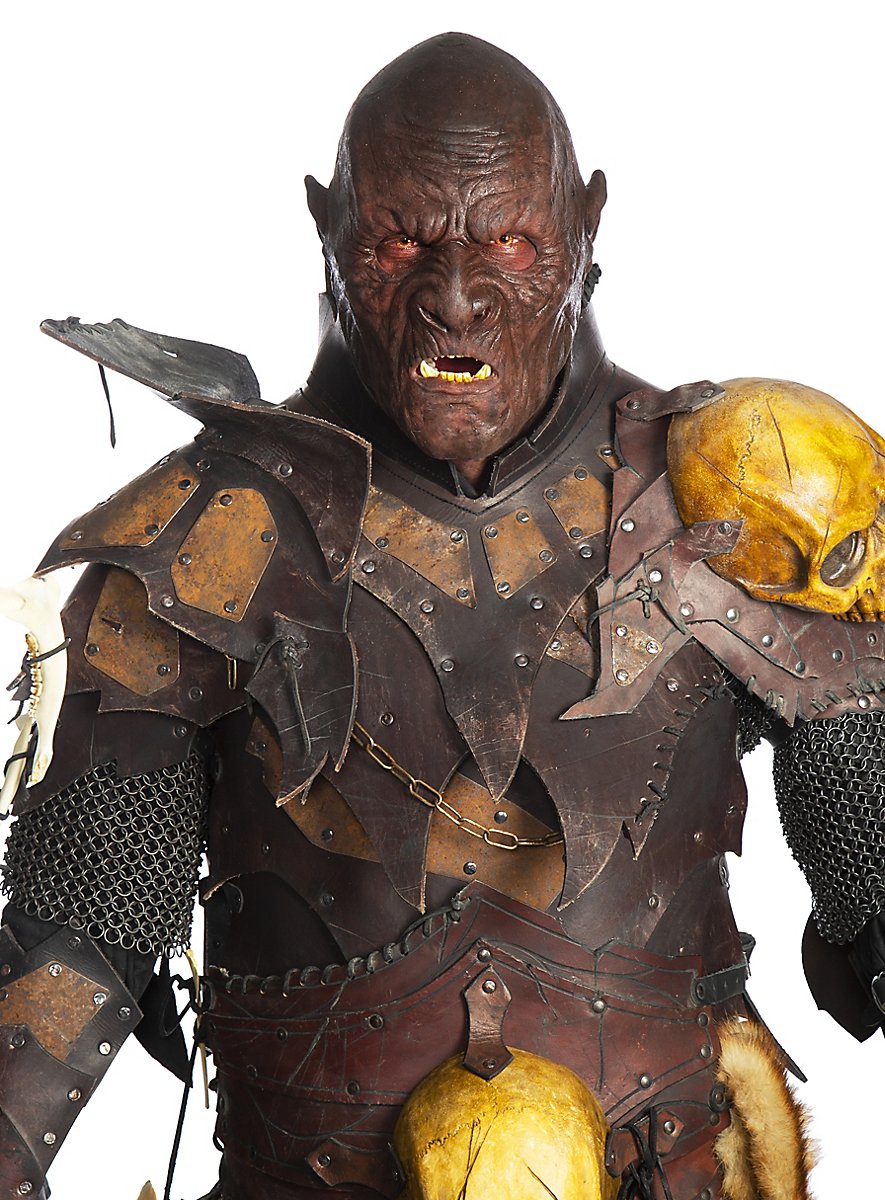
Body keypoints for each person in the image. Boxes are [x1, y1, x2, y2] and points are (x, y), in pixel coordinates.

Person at [1, 31, 884, 1200]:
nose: (455, 297)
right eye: (401, 241)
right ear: (327, 228)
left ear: (585, 226)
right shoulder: (205, 543)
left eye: (509, 239)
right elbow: (80, 932)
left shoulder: (745, 503)